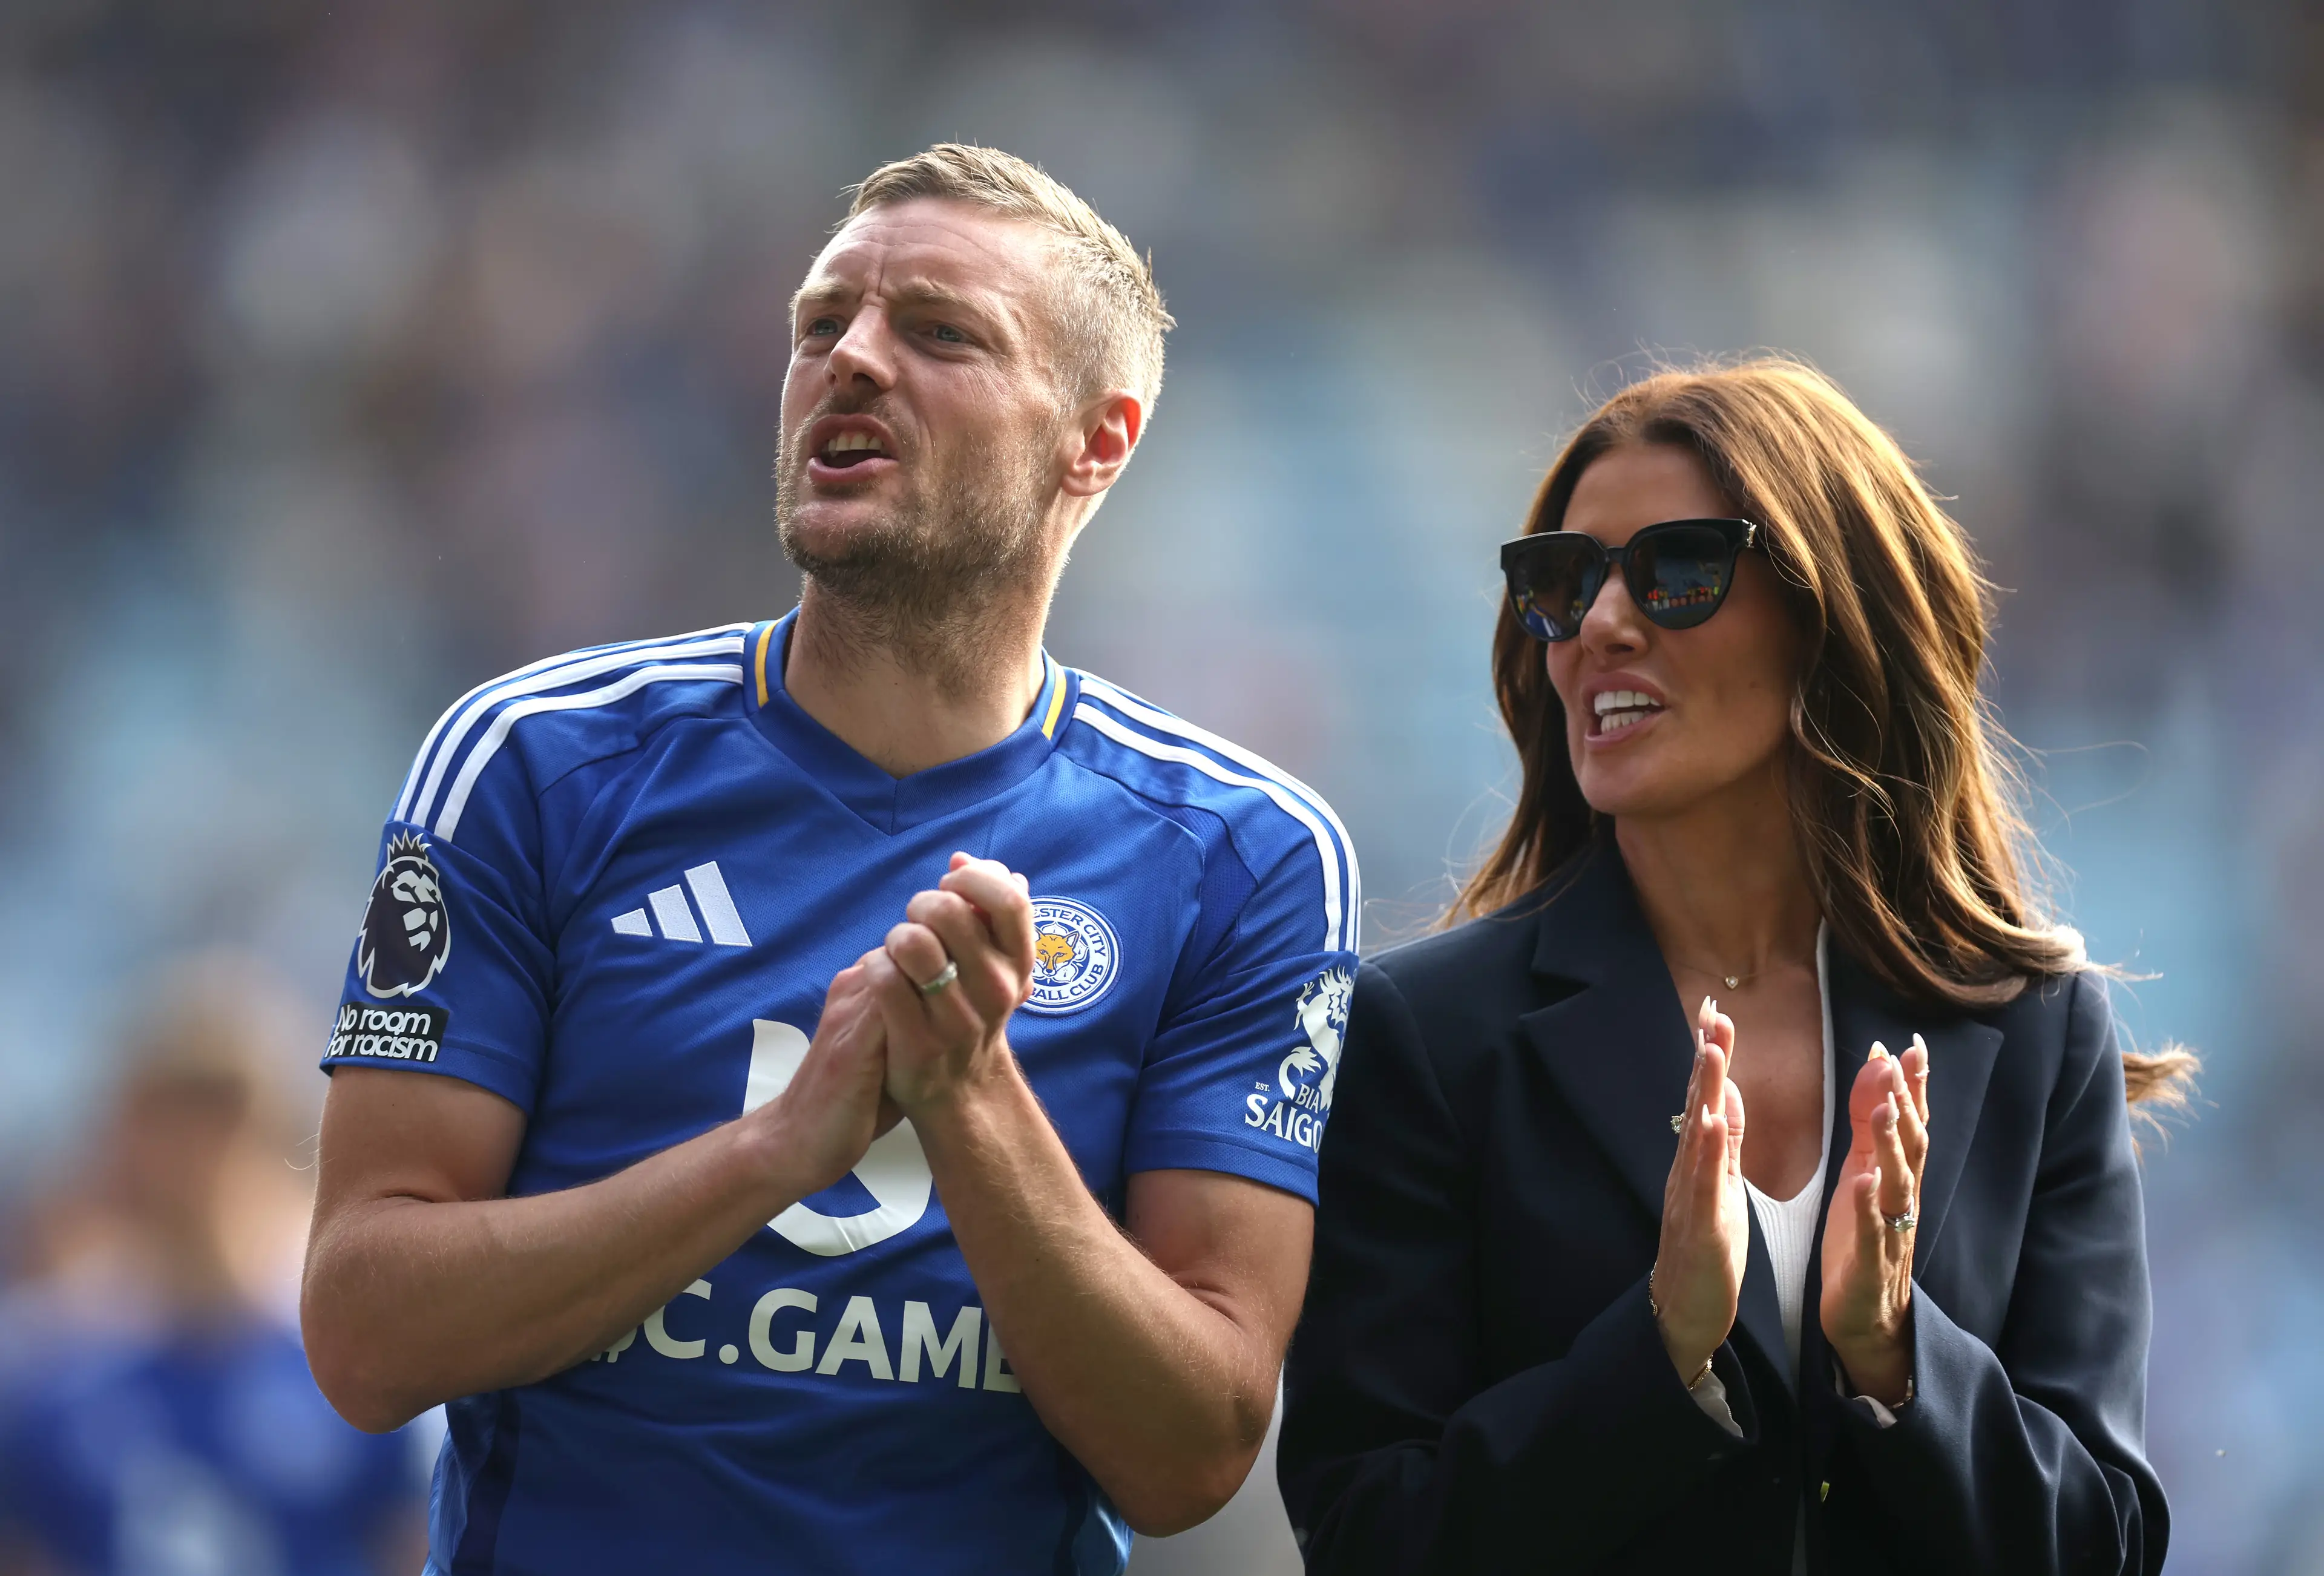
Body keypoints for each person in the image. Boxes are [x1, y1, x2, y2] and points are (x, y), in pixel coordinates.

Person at [300, 144, 1357, 1575]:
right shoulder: (533, 763)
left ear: (1094, 442)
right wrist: (771, 1153)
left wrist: (970, 1104)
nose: (850, 359)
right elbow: (364, 1334)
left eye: (938, 332)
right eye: (821, 322)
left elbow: (1192, 1454)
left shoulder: (1243, 858)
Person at [1278, 358, 2189, 1575]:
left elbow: (2106, 1548)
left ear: (1834, 615)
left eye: (1680, 569)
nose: (1602, 622)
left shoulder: (2034, 1030)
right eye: (1564, 580)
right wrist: (1659, 1357)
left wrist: (1896, 1353)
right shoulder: (1425, 1038)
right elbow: (1367, 1540)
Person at [0, 959, 427, 1576]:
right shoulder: (52, 1377)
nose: (196, 1161)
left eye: (224, 1121)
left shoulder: (361, 1370)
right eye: (168, 1123)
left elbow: (416, 1552)